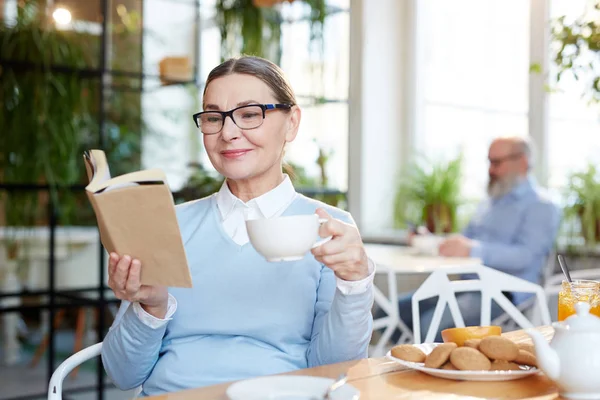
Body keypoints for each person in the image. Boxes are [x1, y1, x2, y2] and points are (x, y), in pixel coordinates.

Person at [100, 56, 375, 396]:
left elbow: (336, 370)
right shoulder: (171, 225)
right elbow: (122, 375)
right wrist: (150, 307)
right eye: (214, 117)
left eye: (249, 114)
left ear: (291, 123)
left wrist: (355, 285)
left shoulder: (329, 230)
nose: (228, 133)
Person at [395, 136, 561, 342]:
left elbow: (525, 256)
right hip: (465, 287)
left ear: (523, 162)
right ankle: (413, 366)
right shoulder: (489, 203)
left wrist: (473, 250)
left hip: (504, 294)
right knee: (394, 313)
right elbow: (465, 240)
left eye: (497, 162)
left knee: (430, 326)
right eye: (489, 162)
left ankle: (431, 368)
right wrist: (431, 240)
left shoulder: (542, 206)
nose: (491, 170)